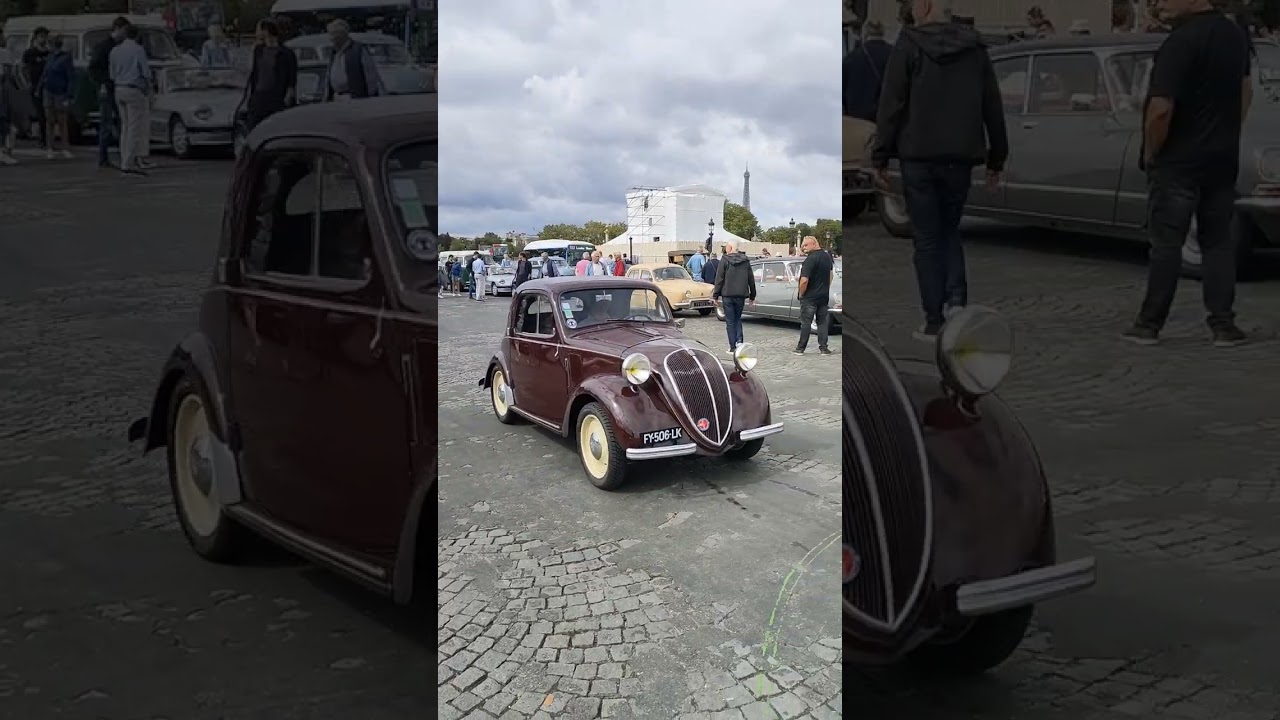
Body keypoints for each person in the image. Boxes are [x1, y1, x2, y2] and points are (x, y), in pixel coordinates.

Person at [872, 0, 1008, 341]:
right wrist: (997, 158)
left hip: (918, 156)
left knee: (928, 238)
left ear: (924, 5)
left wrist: (879, 156)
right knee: (950, 231)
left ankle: (934, 319)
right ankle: (957, 301)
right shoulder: (974, 48)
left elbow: (891, 103)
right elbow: (992, 103)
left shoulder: (909, 45)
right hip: (960, 155)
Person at [1123, 0, 1251, 347]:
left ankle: (1149, 324)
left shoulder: (1180, 42)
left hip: (1178, 161)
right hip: (1222, 158)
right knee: (1218, 242)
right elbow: (1245, 91)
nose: (1159, 4)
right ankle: (1224, 325)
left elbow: (1160, 110)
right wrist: (1226, 132)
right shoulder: (1234, 34)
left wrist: (1151, 152)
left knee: (1166, 244)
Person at [109, 23, 153, 176]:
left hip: (119, 88)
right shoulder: (138, 50)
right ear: (137, 35)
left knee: (125, 126)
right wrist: (149, 89)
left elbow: (112, 74)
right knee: (135, 126)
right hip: (134, 89)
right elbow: (146, 72)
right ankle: (129, 162)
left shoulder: (115, 50)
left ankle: (124, 158)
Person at [89, 17, 129, 170]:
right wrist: (103, 83)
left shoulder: (121, 46)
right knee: (106, 123)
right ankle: (103, 157)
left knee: (121, 122)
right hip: (107, 88)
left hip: (118, 87)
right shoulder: (104, 46)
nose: (125, 34)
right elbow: (93, 68)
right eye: (124, 30)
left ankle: (122, 154)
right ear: (117, 29)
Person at [243, 19, 297, 132]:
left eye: (259, 30)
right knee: (254, 128)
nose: (257, 33)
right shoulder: (258, 50)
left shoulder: (286, 53)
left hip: (276, 98)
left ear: (266, 31)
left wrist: (288, 97)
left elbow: (291, 79)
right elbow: (254, 73)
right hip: (259, 97)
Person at [712, 242, 757, 355]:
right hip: (741, 294)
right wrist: (752, 295)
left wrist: (715, 295)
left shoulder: (725, 260)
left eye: (726, 246)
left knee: (730, 321)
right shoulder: (745, 261)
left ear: (730, 248)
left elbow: (719, 278)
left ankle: (732, 346)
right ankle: (740, 341)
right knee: (738, 319)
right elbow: (751, 279)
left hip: (728, 294)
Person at [794, 236, 835, 356]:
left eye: (805, 245)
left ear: (814, 243)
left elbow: (804, 280)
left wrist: (801, 293)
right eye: (802, 246)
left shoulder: (810, 259)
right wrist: (825, 287)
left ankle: (800, 348)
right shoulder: (827, 256)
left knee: (806, 322)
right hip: (823, 296)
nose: (803, 248)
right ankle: (824, 348)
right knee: (822, 322)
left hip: (809, 297)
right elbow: (830, 275)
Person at [845, 21, 892, 123]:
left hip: (858, 117)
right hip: (887, 115)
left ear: (864, 34)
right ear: (883, 33)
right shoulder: (895, 54)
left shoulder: (851, 57)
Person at [325, 20, 383, 101]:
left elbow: (371, 78)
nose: (331, 38)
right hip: (336, 99)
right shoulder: (334, 53)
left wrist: (368, 100)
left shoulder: (358, 50)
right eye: (330, 35)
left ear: (342, 36)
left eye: (334, 35)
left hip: (353, 100)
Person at [38, 37, 74, 160]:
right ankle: (50, 147)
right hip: (48, 91)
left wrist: (69, 94)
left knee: (62, 121)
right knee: (50, 121)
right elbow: (44, 74)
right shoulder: (50, 57)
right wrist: (39, 88)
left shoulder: (65, 58)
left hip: (60, 92)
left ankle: (65, 147)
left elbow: (70, 77)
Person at [20, 27, 50, 151]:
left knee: (48, 114)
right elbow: (23, 68)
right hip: (35, 86)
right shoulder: (29, 53)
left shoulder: (49, 52)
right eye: (41, 36)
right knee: (40, 113)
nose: (43, 39)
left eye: (45, 36)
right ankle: (41, 139)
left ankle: (47, 138)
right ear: (36, 38)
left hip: (48, 87)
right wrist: (26, 82)